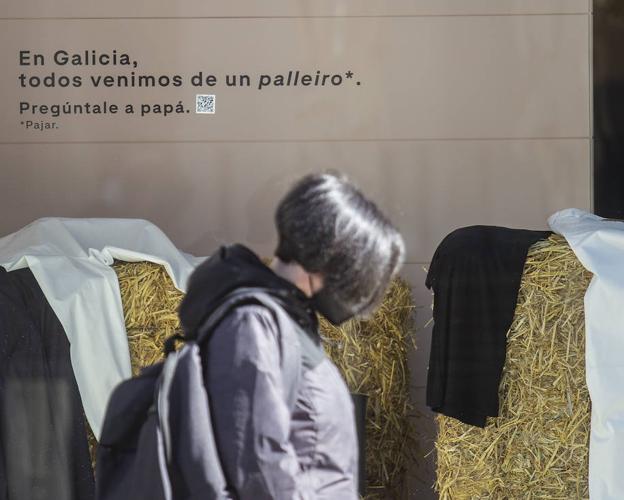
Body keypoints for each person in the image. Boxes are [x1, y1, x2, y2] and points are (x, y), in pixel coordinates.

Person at [178, 172, 405, 499]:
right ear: (329, 256)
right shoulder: (253, 324)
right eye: (363, 274)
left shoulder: (283, 320)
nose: (363, 294)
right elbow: (255, 464)